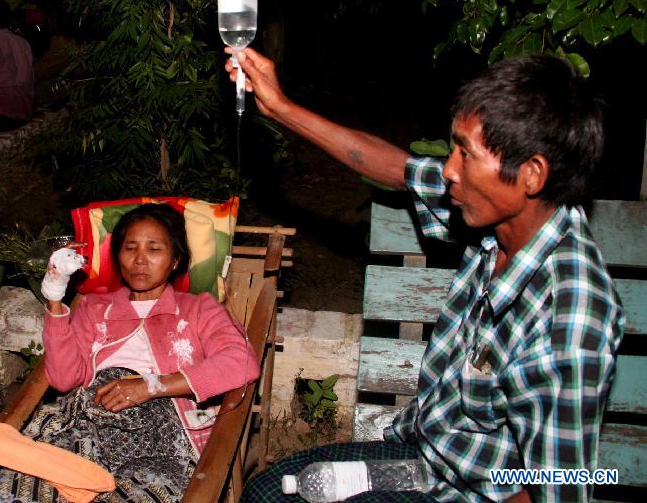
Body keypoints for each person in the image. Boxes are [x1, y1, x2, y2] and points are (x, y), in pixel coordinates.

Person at [228, 48, 625, 502]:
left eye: (466, 154)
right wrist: (282, 108)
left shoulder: (570, 316)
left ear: (532, 174)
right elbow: (395, 169)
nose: (450, 169)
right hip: (422, 459)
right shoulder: (505, 217)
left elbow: (556, 490)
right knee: (264, 493)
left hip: (468, 494)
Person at [0, 203, 261, 502]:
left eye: (154, 249)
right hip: (86, 422)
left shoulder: (199, 309)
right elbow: (64, 379)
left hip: (162, 438)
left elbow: (241, 362)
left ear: (175, 260)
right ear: (118, 257)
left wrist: (150, 385)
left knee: (146, 491)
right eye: (130, 248)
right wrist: (54, 302)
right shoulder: (95, 309)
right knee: (20, 486)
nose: (140, 260)